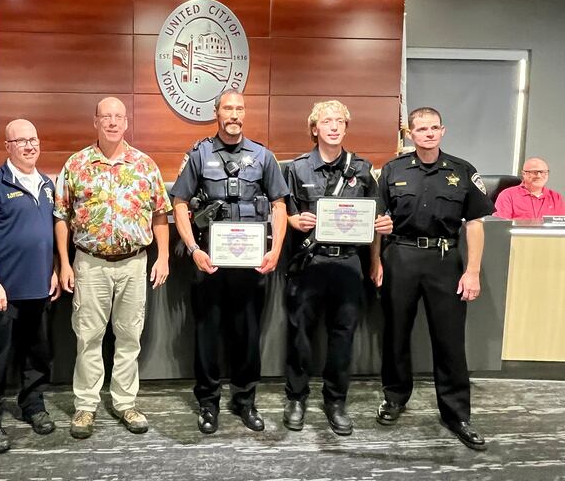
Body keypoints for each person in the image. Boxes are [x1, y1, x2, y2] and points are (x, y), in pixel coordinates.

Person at [170, 89, 289, 434]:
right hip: (210, 264)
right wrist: (194, 249)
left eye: (239, 108)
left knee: (248, 336)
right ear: (217, 113)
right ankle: (208, 404)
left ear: (244, 114)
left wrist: (276, 249)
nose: (234, 114)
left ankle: (245, 400)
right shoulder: (199, 155)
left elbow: (280, 205)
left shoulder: (264, 156)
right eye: (228, 109)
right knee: (207, 336)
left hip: (252, 265)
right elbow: (179, 204)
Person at [375, 107, 494, 451]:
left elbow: (474, 223)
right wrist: (376, 258)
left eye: (433, 128)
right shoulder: (393, 170)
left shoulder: (462, 170)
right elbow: (379, 219)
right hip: (401, 256)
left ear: (443, 131)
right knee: (396, 332)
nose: (427, 133)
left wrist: (472, 271)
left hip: (445, 259)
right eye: (420, 129)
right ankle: (395, 397)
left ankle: (456, 414)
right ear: (409, 134)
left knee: (450, 340)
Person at [55, 97, 171, 439]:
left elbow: (160, 214)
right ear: (95, 122)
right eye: (105, 116)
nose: (112, 122)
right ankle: (86, 405)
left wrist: (162, 257)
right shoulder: (76, 164)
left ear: (126, 122)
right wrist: (64, 262)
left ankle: (125, 402)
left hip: (134, 264)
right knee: (88, 336)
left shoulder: (144, 165)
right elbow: (61, 217)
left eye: (118, 116)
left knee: (129, 336)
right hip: (89, 264)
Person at [283, 100, 393, 435]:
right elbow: (282, 210)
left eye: (339, 121)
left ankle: (335, 401)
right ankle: (297, 398)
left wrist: (376, 255)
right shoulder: (296, 168)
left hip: (348, 264)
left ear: (346, 127)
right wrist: (294, 219)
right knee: (300, 335)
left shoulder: (361, 168)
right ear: (314, 128)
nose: (333, 126)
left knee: (343, 336)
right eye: (326, 121)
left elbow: (374, 218)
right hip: (309, 262)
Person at [0, 119, 60, 453]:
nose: (30, 146)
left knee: (38, 355)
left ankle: (33, 406)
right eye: (21, 141)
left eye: (34, 139)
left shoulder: (47, 184)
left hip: (40, 289)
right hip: (2, 292)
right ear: (8, 146)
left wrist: (54, 270)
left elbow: (48, 235)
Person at [494, 157, 564, 218]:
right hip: (519, 233)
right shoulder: (508, 195)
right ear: (524, 174)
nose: (539, 176)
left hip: (548, 234)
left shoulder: (555, 197)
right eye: (534, 172)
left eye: (543, 172)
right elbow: (500, 225)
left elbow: (561, 225)